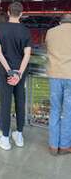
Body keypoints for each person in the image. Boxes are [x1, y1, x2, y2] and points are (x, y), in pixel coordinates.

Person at [0, 2, 31, 150]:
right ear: (21, 13)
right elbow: (27, 55)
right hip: (20, 72)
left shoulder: (0, 28)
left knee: (5, 104)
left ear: (8, 12)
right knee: (20, 102)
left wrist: (9, 71)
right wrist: (19, 73)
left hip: (5, 71)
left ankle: (6, 139)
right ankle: (19, 136)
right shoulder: (26, 30)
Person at [45, 13, 71, 155]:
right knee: (69, 112)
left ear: (61, 22)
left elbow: (47, 48)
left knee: (54, 110)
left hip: (54, 75)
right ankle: (65, 145)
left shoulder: (51, 32)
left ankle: (53, 145)